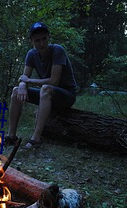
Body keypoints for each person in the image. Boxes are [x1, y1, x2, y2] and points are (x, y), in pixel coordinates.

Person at [5, 21, 78, 149]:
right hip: (48, 94)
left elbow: (53, 81)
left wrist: (27, 81)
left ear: (48, 37)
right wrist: (22, 85)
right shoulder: (31, 54)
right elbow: (24, 78)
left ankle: (36, 138)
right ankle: (11, 136)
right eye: (37, 40)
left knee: (46, 88)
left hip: (66, 95)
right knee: (16, 91)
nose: (42, 43)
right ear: (32, 41)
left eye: (44, 39)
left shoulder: (57, 50)